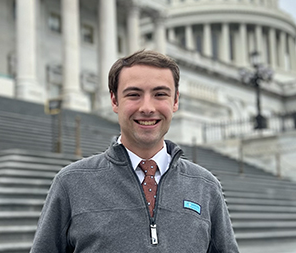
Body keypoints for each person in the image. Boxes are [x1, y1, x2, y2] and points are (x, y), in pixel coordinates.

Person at [30, 50, 239, 252]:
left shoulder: (206, 186)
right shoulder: (70, 183)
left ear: (175, 101)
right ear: (114, 100)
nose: (147, 107)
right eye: (134, 94)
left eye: (160, 94)